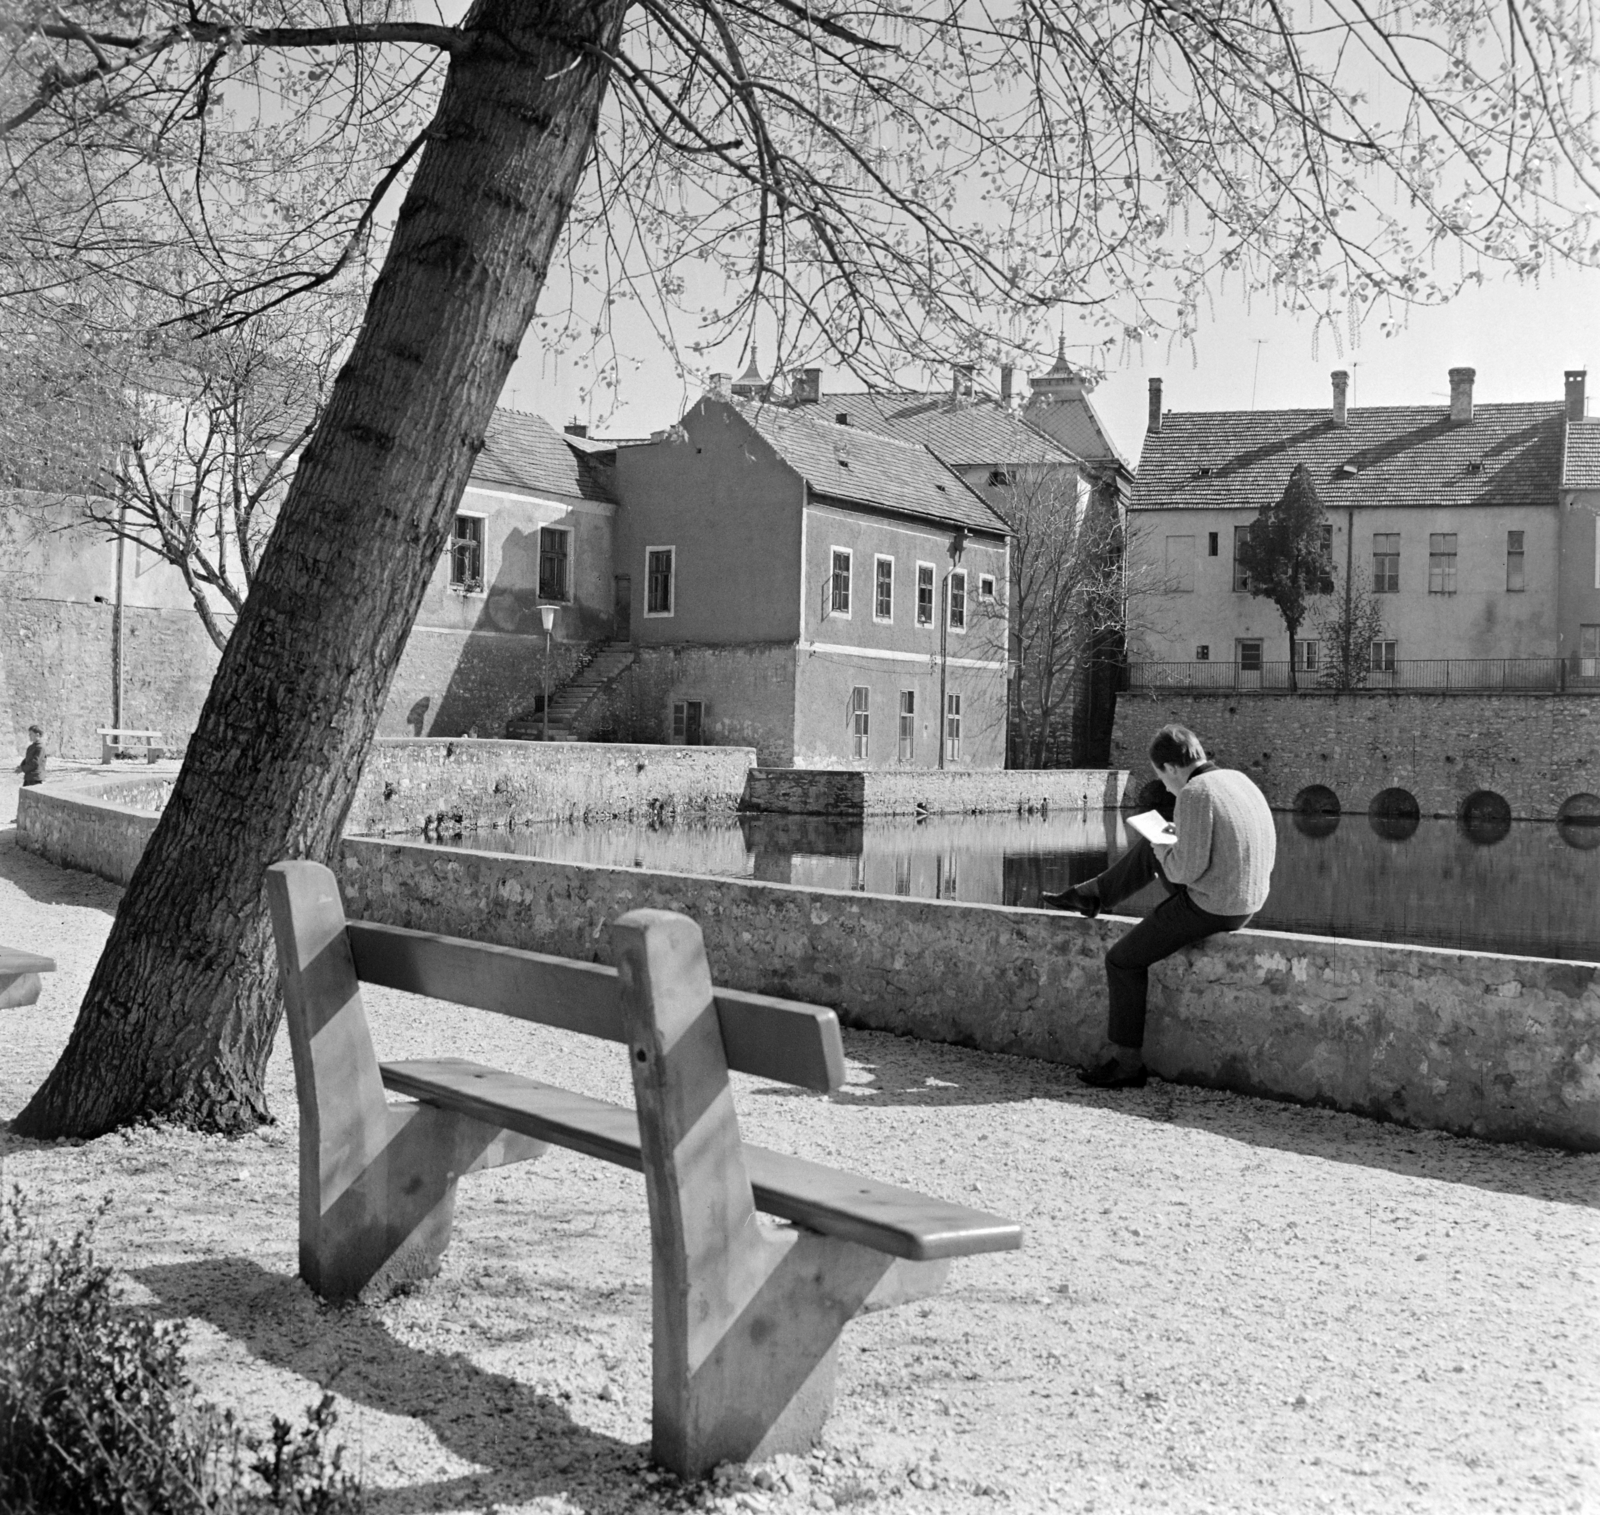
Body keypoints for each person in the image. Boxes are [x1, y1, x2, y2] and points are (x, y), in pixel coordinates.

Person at [1046, 724, 1275, 1089]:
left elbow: (1185, 870)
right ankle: (1092, 894)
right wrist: (1163, 842)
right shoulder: (1238, 780)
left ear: (1170, 767)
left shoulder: (1196, 793)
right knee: (1158, 837)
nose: (1166, 786)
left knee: (1122, 960)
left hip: (1213, 905)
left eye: (1161, 776)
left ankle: (1127, 1064)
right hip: (1247, 898)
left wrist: (1163, 847)